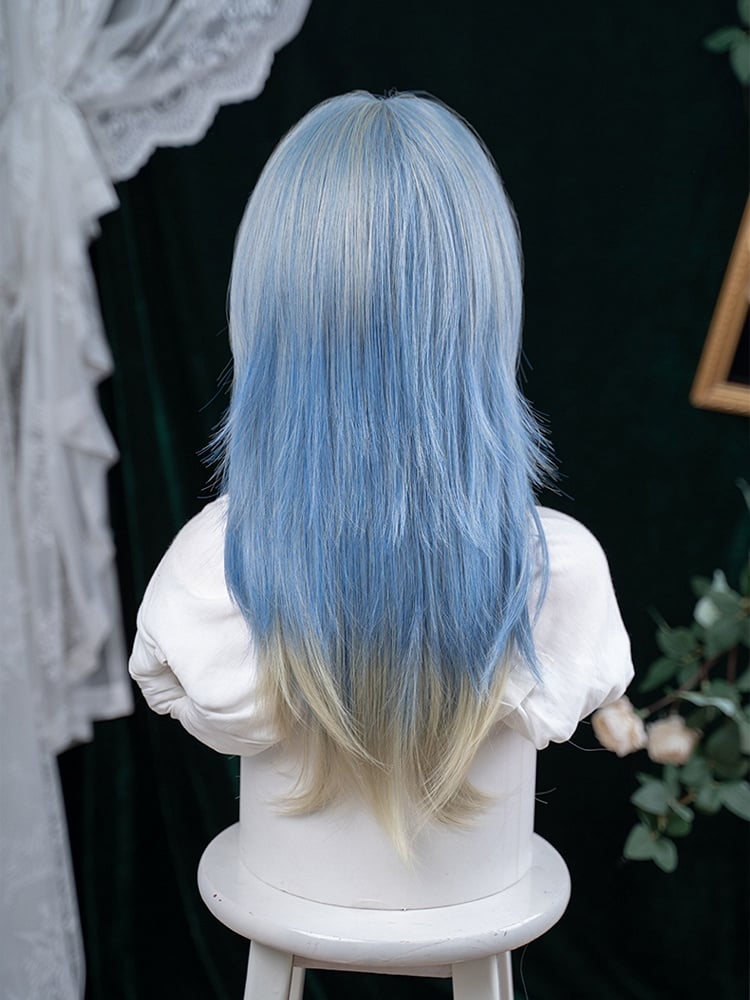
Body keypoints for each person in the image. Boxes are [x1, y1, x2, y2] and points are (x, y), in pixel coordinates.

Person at [129, 91, 633, 867]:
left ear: (267, 312)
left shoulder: (213, 570)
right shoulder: (560, 572)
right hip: (484, 889)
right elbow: (575, 690)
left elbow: (171, 686)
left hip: (286, 884)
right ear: (485, 308)